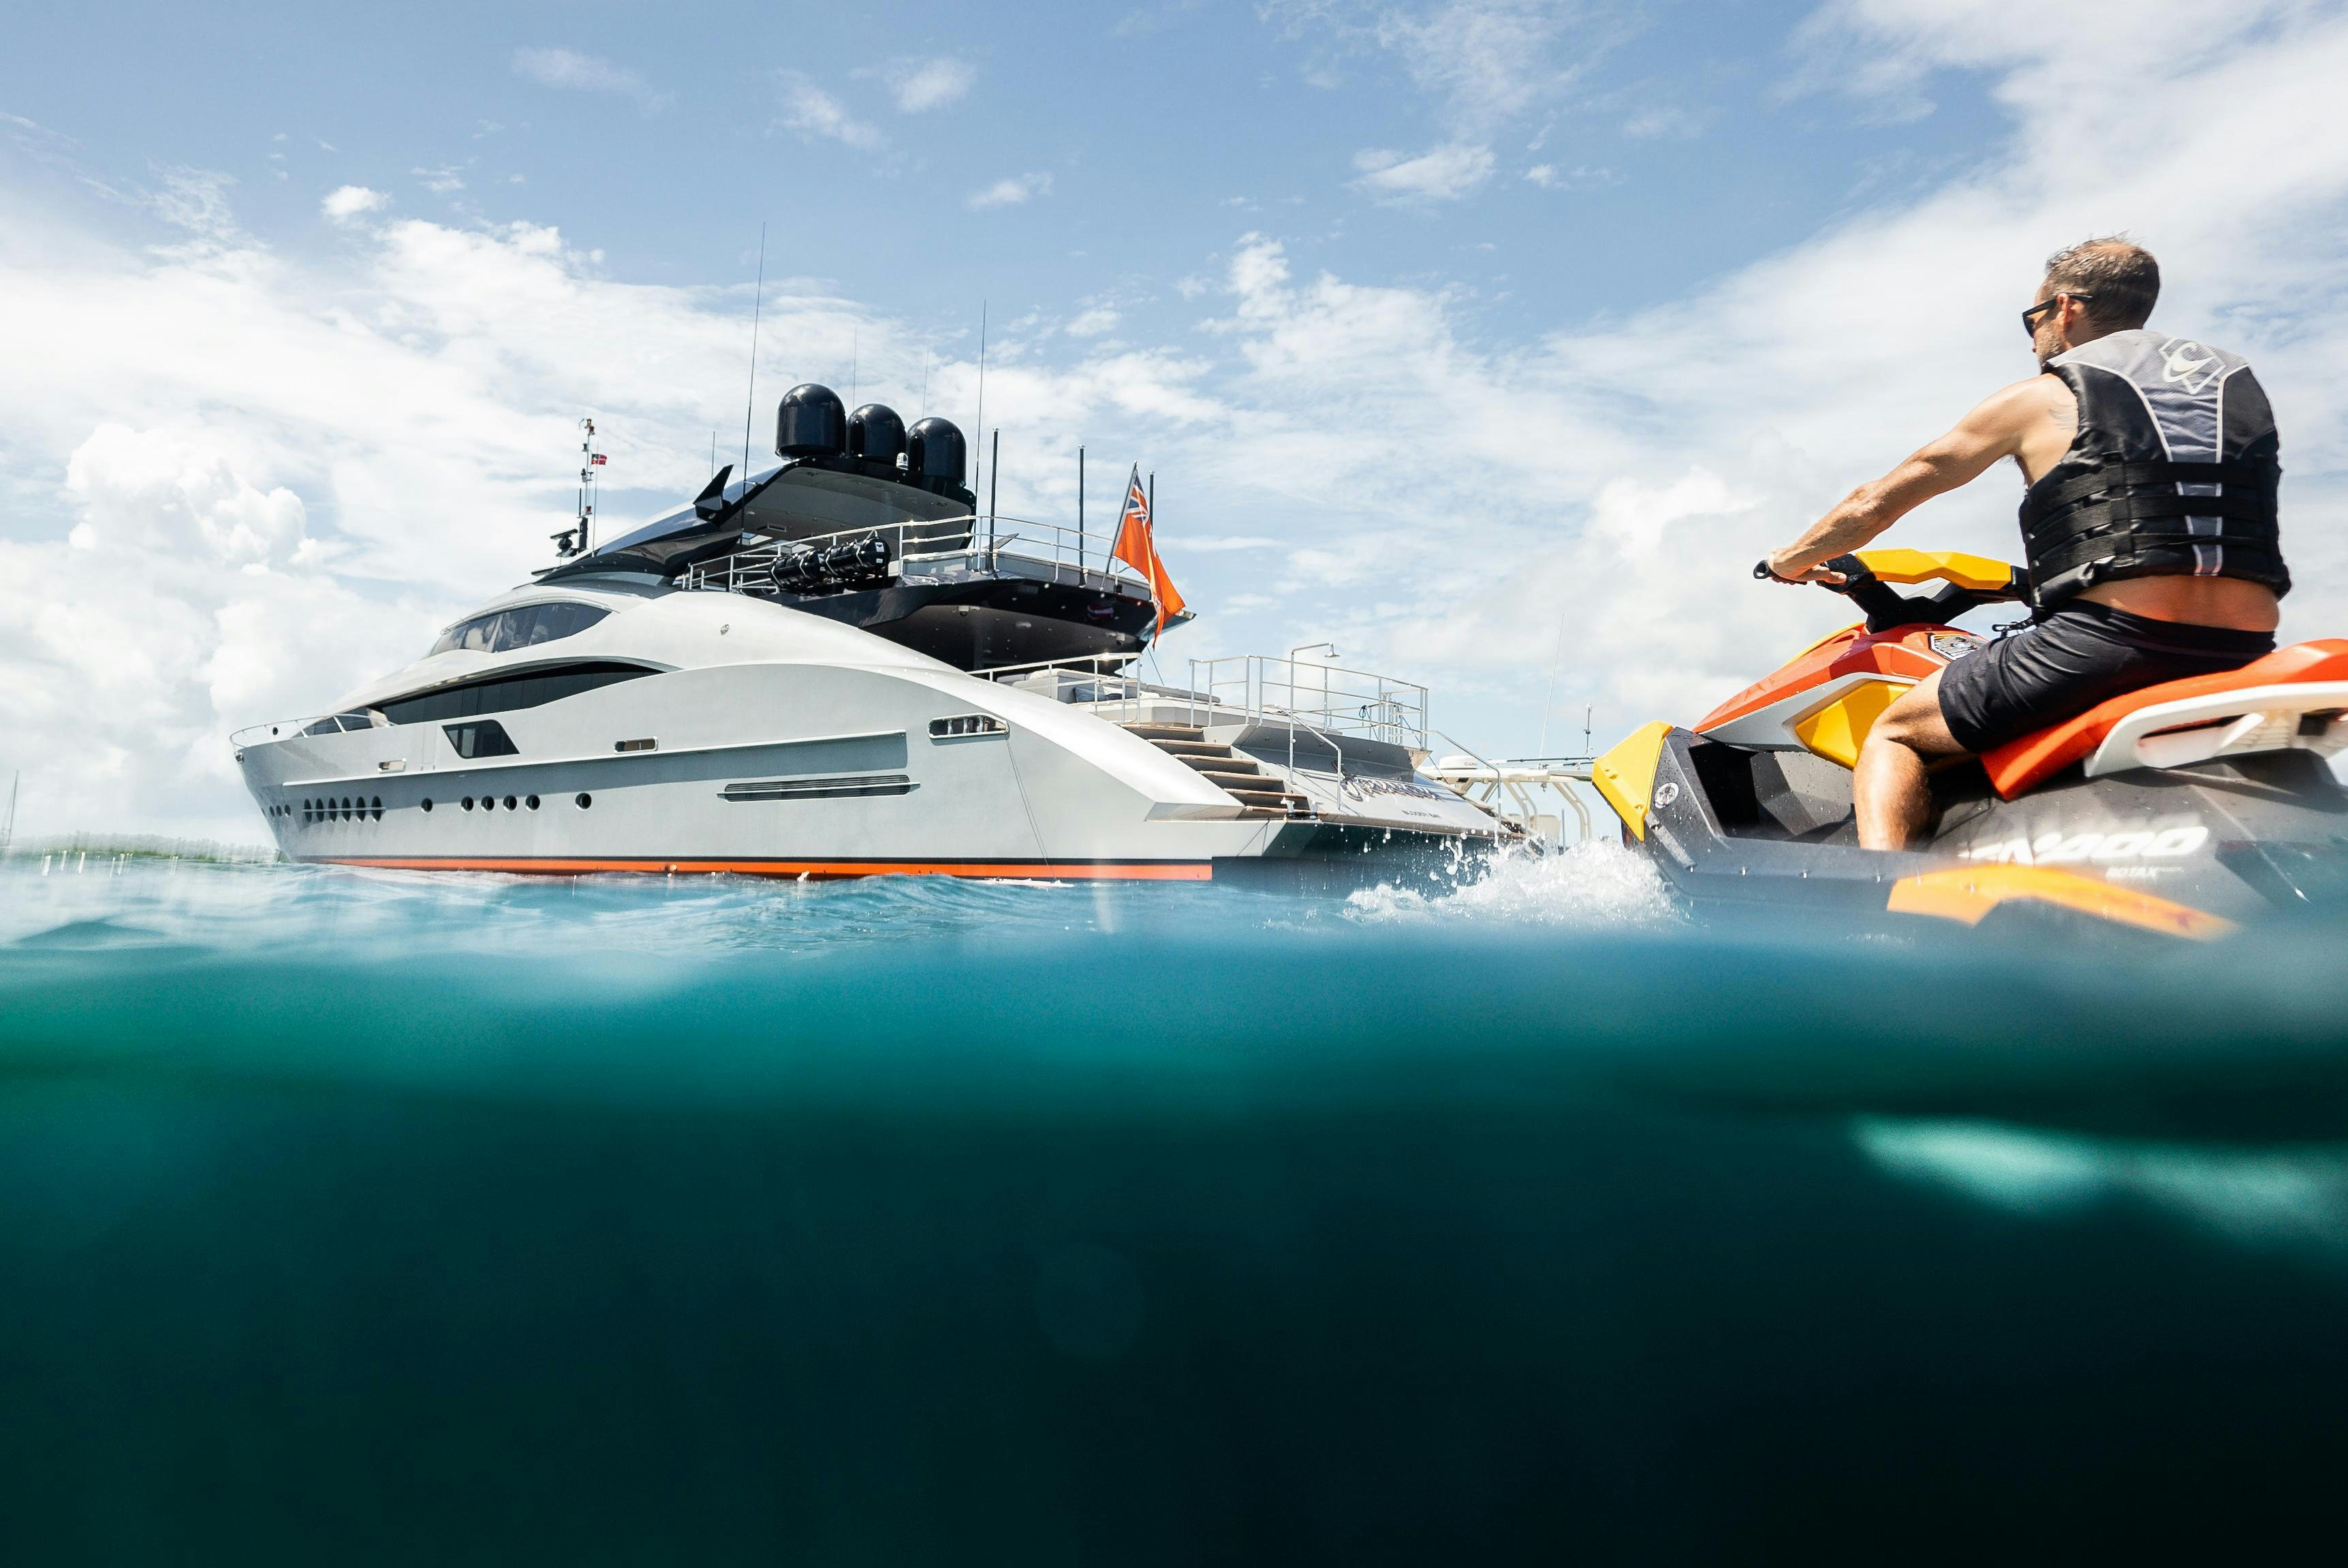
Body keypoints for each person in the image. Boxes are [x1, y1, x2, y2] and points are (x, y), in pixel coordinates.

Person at [1758, 238, 2287, 850]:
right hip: (2245, 648)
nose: (2031, 338)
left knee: (1894, 733)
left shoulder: (2044, 398)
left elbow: (1876, 502)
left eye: (2031, 319)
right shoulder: (2235, 393)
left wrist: (1791, 560)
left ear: (2064, 309)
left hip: (2110, 645)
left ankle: (1885, 910)